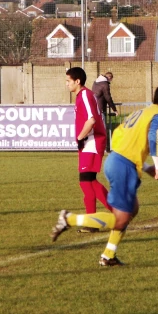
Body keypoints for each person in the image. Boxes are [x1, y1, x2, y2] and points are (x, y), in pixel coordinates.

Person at [50, 84, 158, 266]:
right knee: (120, 218)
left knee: (132, 209)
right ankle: (69, 219)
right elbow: (153, 139)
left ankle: (109, 255)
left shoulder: (142, 112)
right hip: (123, 166)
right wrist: (157, 166)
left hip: (115, 160)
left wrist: (145, 167)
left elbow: (120, 135)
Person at [66, 67, 111, 219]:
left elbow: (91, 120)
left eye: (68, 81)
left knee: (85, 182)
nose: (67, 84)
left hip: (92, 141)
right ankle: (117, 211)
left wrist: (80, 138)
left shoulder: (85, 95)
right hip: (90, 142)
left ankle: (92, 221)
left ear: (77, 81)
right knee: (90, 181)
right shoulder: (81, 96)